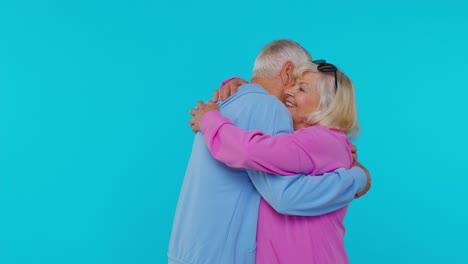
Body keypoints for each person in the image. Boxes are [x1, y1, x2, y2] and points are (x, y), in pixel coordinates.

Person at [168, 39, 370, 264]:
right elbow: (280, 188)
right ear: (287, 73)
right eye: (296, 82)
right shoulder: (268, 108)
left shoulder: (233, 103)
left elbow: (272, 176)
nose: (291, 91)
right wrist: (357, 177)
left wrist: (214, 116)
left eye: (302, 87)